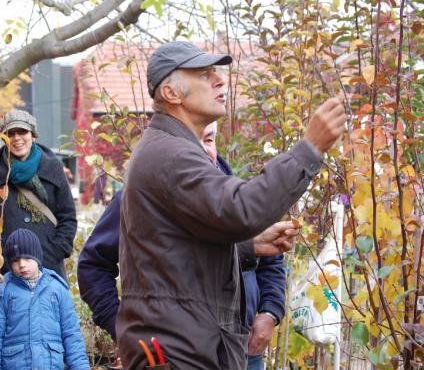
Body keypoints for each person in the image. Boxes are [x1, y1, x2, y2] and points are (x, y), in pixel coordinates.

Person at [117, 41, 346, 369]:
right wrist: (309, 149)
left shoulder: (171, 148)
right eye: (204, 74)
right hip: (177, 352)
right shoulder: (171, 155)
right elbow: (243, 209)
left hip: (185, 345)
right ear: (170, 92)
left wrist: (248, 246)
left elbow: (174, 252)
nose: (219, 80)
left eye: (216, 72)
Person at [77, 122, 289, 370]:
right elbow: (93, 266)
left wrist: (270, 313)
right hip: (176, 355)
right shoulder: (138, 198)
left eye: (208, 140)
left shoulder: (238, 196)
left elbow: (270, 259)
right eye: (189, 142)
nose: (200, 150)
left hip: (245, 346)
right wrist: (121, 327)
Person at [0, 109, 77, 281]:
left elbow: (68, 216)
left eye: (22, 132)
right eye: (10, 133)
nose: (17, 138)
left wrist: (56, 250)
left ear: (33, 134)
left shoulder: (52, 166)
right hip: (9, 267)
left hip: (48, 265)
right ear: (3, 138)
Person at [0, 228, 89, 370]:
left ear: (37, 257)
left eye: (27, 258)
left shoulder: (56, 288)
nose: (22, 264)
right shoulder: (3, 291)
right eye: (15, 261)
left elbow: (71, 334)